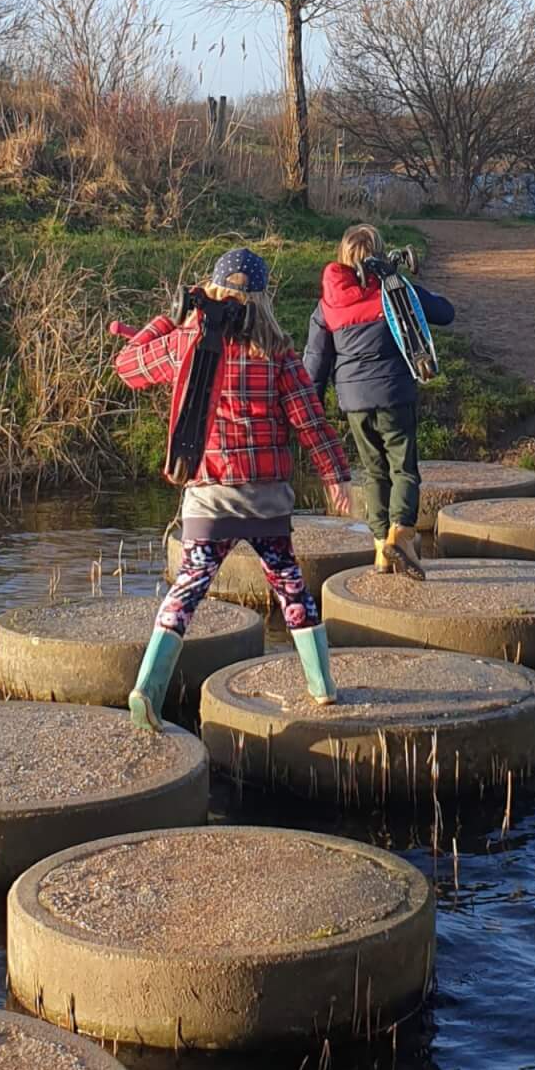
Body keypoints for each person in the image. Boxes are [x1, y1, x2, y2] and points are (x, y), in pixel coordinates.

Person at [112, 245, 355, 730]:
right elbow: (310, 419)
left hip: (209, 498)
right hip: (265, 499)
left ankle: (148, 688)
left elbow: (127, 366)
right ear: (263, 298)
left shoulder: (188, 342)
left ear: (213, 289)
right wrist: (335, 476)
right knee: (290, 585)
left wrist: (168, 318)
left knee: (186, 591)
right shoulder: (279, 352)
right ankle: (322, 687)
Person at [303, 223, 455, 578]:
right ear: (381, 254)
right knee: (403, 468)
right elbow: (445, 313)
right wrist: (401, 280)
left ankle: (379, 551)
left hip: (354, 403)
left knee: (373, 472)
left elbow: (315, 362)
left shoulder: (326, 306)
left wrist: (311, 411)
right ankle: (400, 534)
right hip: (394, 395)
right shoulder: (395, 293)